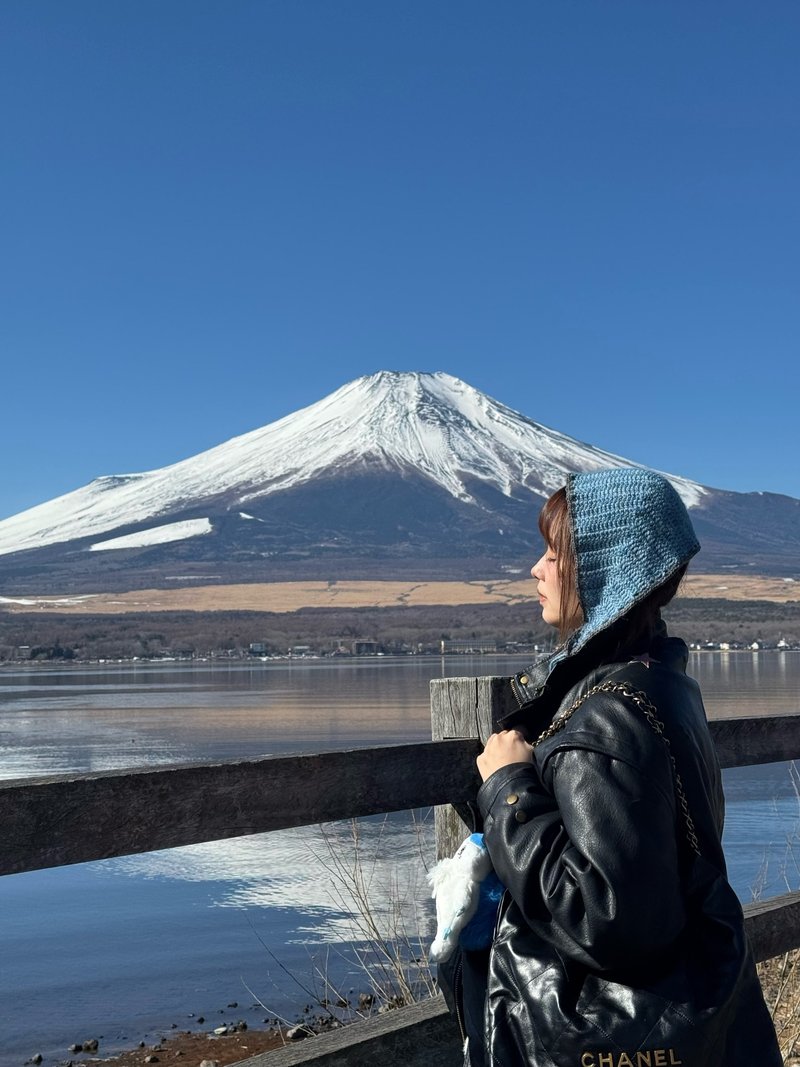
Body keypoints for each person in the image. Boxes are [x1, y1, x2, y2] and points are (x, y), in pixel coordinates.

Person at [457, 467, 781, 1067]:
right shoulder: (666, 683)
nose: (536, 568)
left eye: (555, 551)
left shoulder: (608, 716)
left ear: (603, 567)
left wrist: (508, 789)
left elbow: (604, 914)